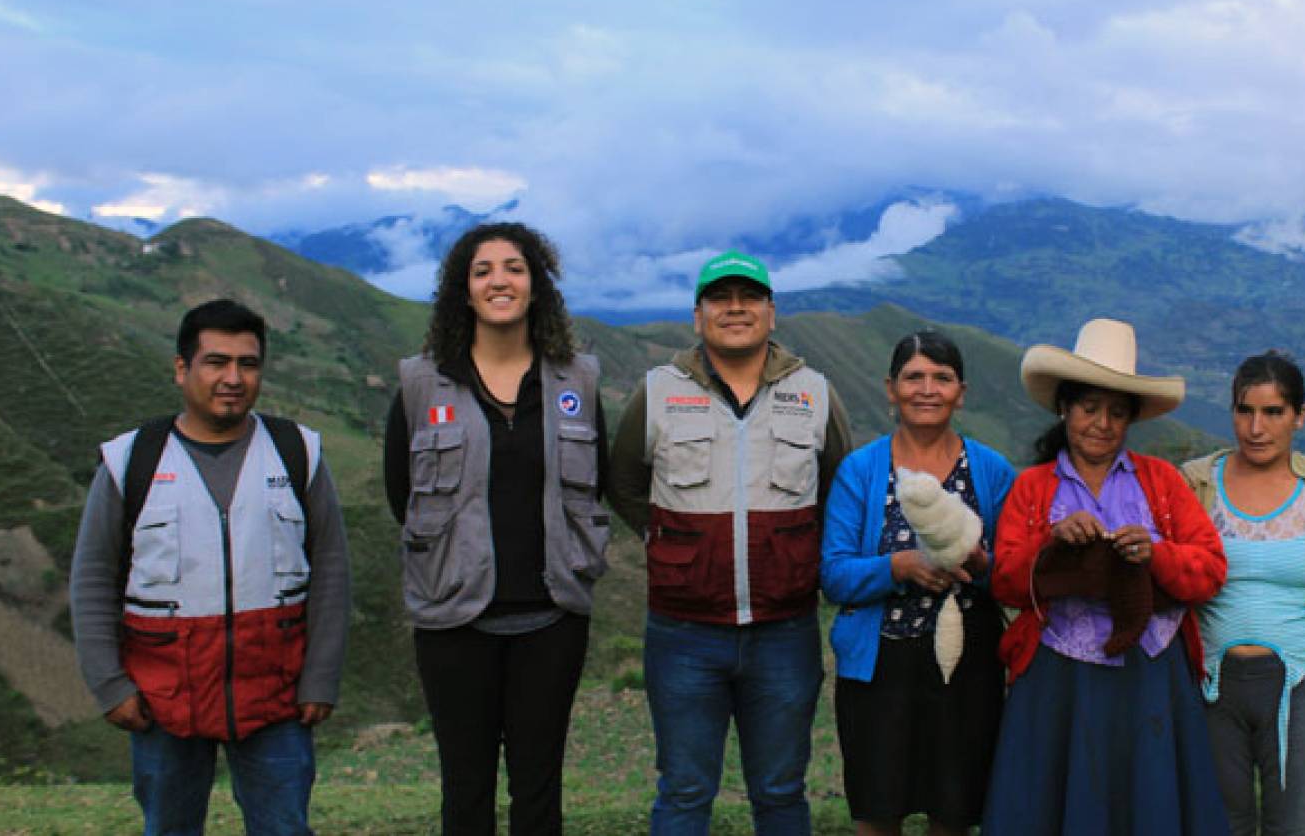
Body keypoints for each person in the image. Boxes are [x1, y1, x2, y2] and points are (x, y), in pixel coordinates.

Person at [70, 298, 351, 836]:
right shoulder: (131, 461)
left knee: (284, 828)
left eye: (248, 364)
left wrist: (321, 677)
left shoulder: (297, 452)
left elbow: (332, 569)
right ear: (182, 369)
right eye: (216, 362)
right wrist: (109, 684)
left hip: (275, 693)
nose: (233, 378)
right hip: (162, 696)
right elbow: (92, 577)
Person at [607, 249, 853, 835]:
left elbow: (839, 489)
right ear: (698, 316)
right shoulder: (658, 390)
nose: (735, 308)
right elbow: (623, 481)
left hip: (785, 631)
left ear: (772, 313)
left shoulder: (815, 391)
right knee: (685, 791)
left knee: (780, 791)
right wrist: (670, 542)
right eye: (720, 298)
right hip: (683, 634)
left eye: (749, 297)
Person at [384, 222, 609, 836]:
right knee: (465, 788)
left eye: (514, 267)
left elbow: (597, 485)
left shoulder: (578, 382)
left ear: (537, 286)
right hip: (454, 623)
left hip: (552, 617)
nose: (499, 280)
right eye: (482, 270)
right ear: (462, 288)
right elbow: (399, 494)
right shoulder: (420, 383)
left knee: (539, 790)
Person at [984, 317, 1229, 836]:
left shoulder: (1161, 482)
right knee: (1060, 798)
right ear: (1064, 408)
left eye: (1117, 412)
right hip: (1058, 676)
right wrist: (1051, 545)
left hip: (1150, 673)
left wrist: (1155, 552)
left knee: (1144, 799)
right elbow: (1005, 580)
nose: (1101, 424)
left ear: (1132, 420)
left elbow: (1209, 569)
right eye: (1089, 408)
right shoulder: (1033, 488)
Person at [819, 330, 1015, 836]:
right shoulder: (861, 471)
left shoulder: (991, 471)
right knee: (878, 812)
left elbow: (1015, 572)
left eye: (942, 378)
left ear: (961, 392)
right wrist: (897, 568)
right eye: (914, 377)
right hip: (880, 668)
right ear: (891, 389)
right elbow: (835, 575)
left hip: (967, 668)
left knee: (953, 813)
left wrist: (981, 563)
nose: (927, 389)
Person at [1181, 352, 1305, 835]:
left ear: (1299, 416)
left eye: (1273, 412)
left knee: (1294, 824)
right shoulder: (1195, 483)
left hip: (1299, 686)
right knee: (1219, 822)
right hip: (1212, 686)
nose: (1256, 428)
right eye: (1245, 411)